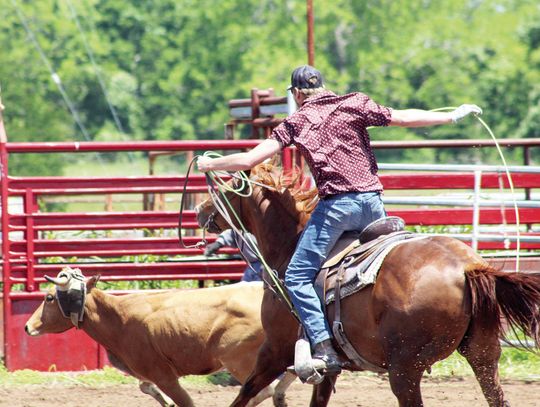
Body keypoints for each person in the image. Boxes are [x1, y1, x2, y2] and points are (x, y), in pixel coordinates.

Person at [197, 65, 482, 375]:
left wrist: (211, 163)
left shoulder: (298, 121)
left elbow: (250, 160)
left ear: (296, 94)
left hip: (337, 208)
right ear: (323, 87)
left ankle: (323, 346)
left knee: (296, 276)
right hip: (374, 205)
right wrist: (452, 115)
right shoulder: (355, 103)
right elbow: (403, 117)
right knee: (378, 265)